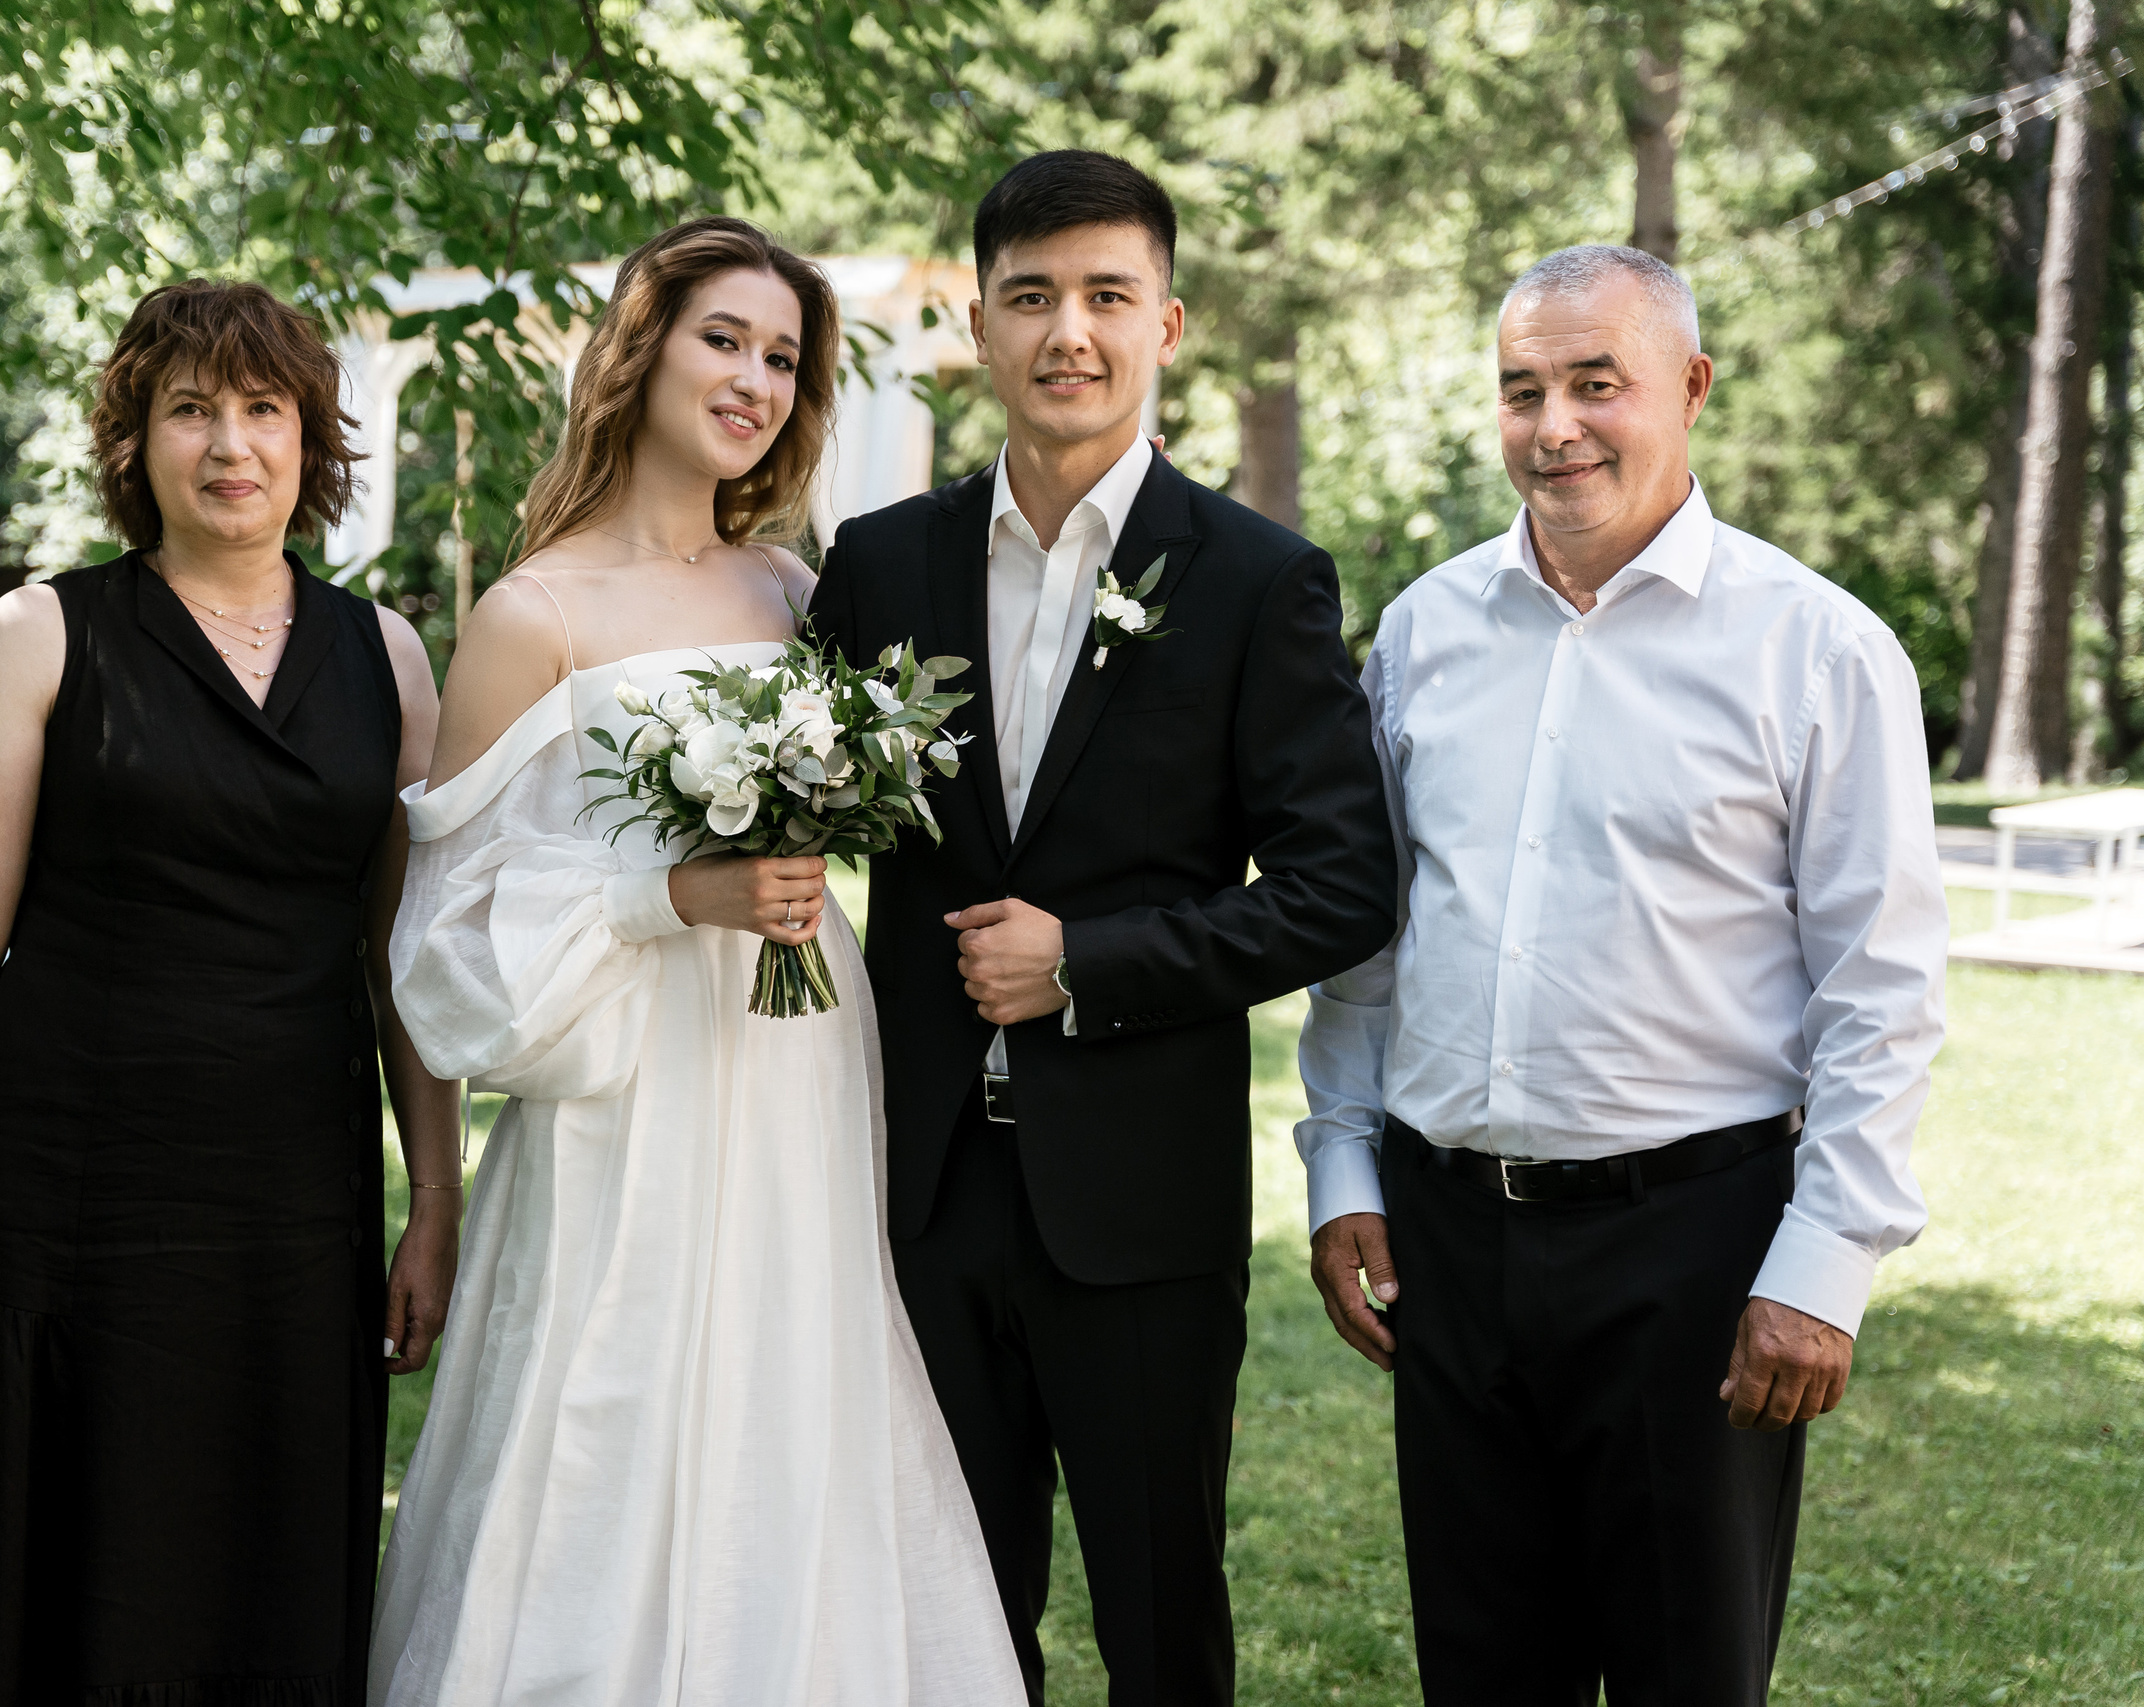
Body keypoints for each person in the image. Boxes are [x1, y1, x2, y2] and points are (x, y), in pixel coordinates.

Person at [367, 216, 1022, 1705]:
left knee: (799, 1386)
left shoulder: (796, 596)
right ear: (641, 346)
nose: (753, 381)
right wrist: (675, 895)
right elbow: (444, 943)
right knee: (611, 1399)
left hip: (799, 1054)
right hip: (628, 1097)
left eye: (783, 358)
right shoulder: (530, 615)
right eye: (723, 339)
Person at [1296, 244, 1946, 1704]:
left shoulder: (1820, 649)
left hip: (1697, 1254)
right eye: (1523, 390)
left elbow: (1882, 990)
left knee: (1683, 1677)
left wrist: (1823, 1273)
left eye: (1599, 384)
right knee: (1481, 1675)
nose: (1556, 425)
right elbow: (1376, 931)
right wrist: (1344, 1164)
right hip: (1451, 1247)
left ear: (1692, 388)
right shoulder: (1425, 631)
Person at [808, 151, 1398, 1706]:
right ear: (981, 332)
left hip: (1138, 1207)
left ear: (1169, 324)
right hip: (917, 1196)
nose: (1069, 332)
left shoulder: (1259, 581)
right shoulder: (877, 568)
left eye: (1106, 297)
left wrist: (1087, 963)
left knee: (1157, 1617)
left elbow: (1344, 889)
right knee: (940, 1616)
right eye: (1031, 299)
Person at [0, 278, 458, 1703]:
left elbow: (402, 961)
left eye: (263, 409)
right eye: (191, 409)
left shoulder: (388, 657)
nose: (230, 443)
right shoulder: (42, 635)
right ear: (136, 442)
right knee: (61, 1568)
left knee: (268, 1567)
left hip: (292, 1211)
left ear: (315, 438)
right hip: (69, 1195)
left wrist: (436, 1206)